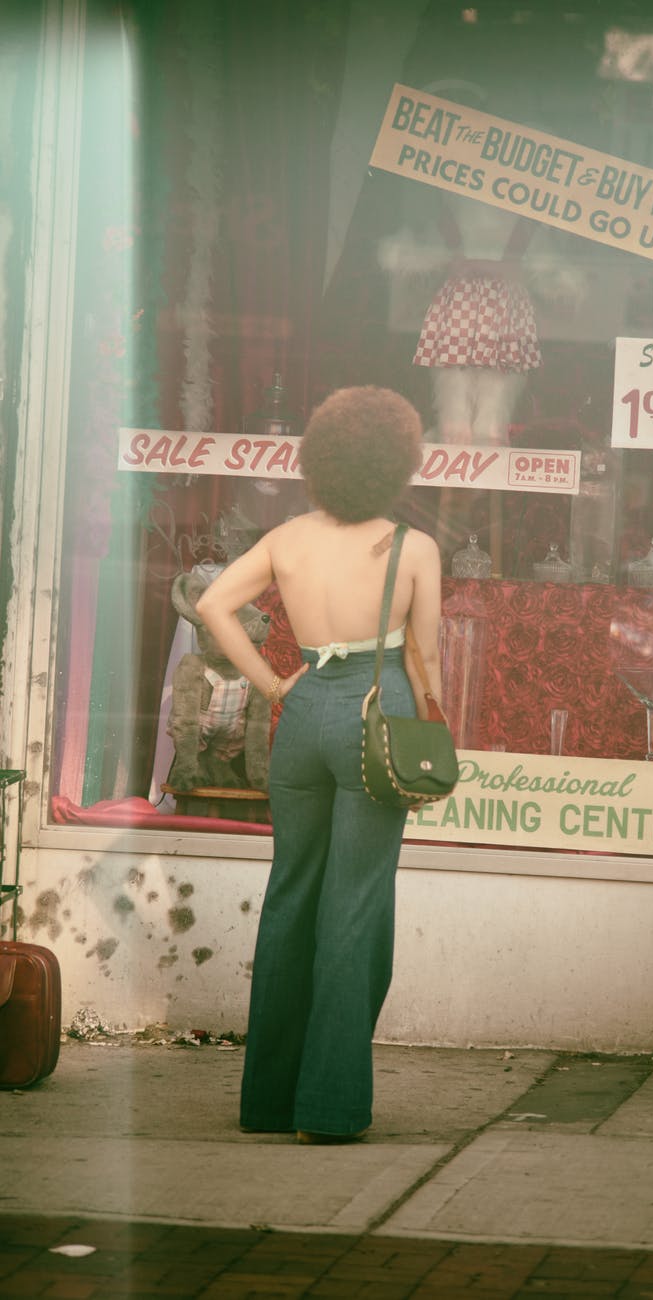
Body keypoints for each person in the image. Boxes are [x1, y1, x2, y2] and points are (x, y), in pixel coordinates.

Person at [196, 386, 443, 1143]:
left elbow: (211, 605)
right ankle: (329, 1109)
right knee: (355, 903)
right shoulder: (413, 548)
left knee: (291, 894)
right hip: (378, 712)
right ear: (396, 464)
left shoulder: (287, 538)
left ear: (320, 460)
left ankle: (269, 1103)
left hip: (302, 715)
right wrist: (429, 736)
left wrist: (273, 685)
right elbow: (425, 659)